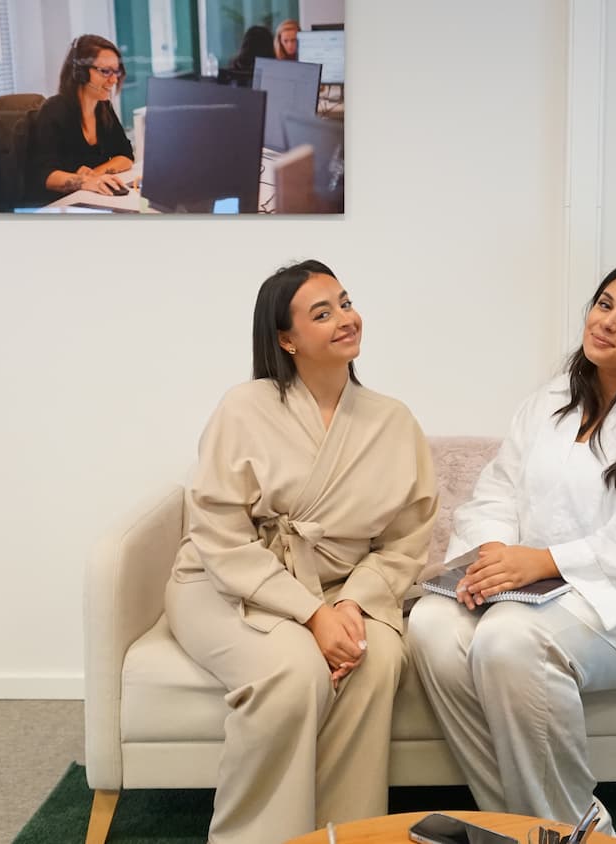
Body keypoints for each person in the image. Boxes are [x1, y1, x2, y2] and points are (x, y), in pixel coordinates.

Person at [406, 262, 616, 836]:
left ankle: (576, 830)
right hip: (539, 592)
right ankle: (516, 823)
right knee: (431, 621)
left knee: (509, 638)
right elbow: (498, 489)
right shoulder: (551, 399)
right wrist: (493, 556)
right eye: (604, 304)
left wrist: (547, 561)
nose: (607, 322)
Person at [167, 260, 438, 843]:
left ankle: (343, 835)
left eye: (344, 302)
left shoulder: (393, 420)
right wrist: (312, 614)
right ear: (285, 340)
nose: (346, 318)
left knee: (376, 659)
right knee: (291, 671)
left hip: (344, 589)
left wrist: (352, 606)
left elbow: (405, 540)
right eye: (323, 313)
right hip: (229, 581)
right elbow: (217, 530)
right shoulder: (244, 406)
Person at [28, 34, 134, 202]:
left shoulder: (103, 108)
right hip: (59, 206)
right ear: (81, 73)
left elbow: (126, 156)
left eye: (116, 71)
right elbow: (45, 175)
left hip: (91, 199)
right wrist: (85, 181)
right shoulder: (54, 111)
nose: (114, 80)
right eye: (105, 72)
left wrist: (95, 174)